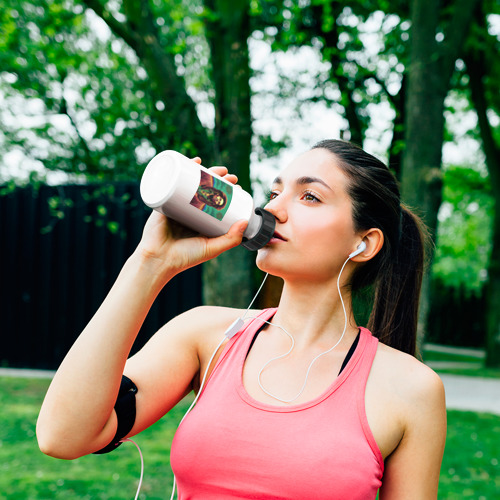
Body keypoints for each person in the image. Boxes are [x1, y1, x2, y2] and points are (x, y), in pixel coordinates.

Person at [37, 139, 447, 499]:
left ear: (363, 243)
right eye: (275, 191)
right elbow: (63, 435)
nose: (272, 208)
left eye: (309, 197)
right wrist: (150, 263)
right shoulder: (205, 335)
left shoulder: (411, 389)